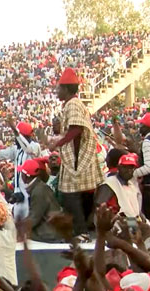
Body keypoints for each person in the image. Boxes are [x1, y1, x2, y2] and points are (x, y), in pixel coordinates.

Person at [49, 67, 104, 237]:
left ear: (66, 89)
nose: (56, 91)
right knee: (82, 194)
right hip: (77, 157)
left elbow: (76, 130)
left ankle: (81, 231)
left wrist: (59, 143)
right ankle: (86, 228)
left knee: (69, 194)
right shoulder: (74, 103)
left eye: (58, 88)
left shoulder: (72, 104)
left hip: (77, 158)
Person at [0, 118, 41, 220]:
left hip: (31, 196)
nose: (15, 138)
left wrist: (15, 130)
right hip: (18, 197)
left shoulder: (35, 147)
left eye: (17, 136)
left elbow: (27, 149)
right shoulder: (16, 150)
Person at [19, 159, 62, 242]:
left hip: (50, 232)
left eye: (21, 173)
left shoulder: (38, 191)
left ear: (26, 175)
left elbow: (35, 217)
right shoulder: (39, 187)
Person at [94, 153, 142, 218]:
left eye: (131, 168)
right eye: (125, 167)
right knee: (138, 227)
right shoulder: (110, 183)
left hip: (133, 218)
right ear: (118, 167)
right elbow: (99, 206)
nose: (128, 171)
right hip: (117, 220)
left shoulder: (131, 184)